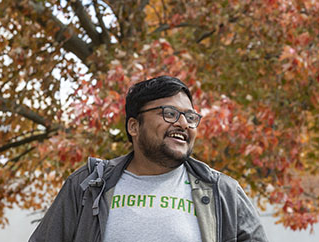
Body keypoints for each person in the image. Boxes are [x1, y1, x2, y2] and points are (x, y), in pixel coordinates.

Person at [30, 76, 268, 242]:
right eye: (170, 113)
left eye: (190, 117)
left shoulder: (222, 191)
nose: (183, 123)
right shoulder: (88, 186)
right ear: (134, 126)